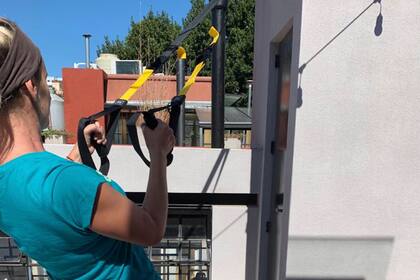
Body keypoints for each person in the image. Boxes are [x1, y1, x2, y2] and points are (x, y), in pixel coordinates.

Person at [0, 18, 175, 279]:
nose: (49, 91)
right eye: (46, 80)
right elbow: (151, 229)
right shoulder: (66, 183)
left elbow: (53, 204)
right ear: (30, 86)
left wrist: (77, 155)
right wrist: (158, 153)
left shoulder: (9, 183)